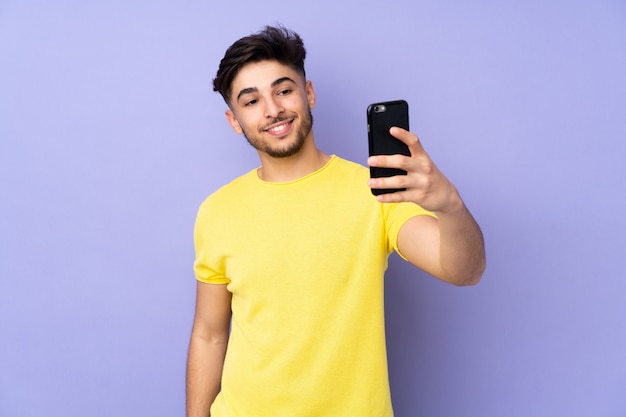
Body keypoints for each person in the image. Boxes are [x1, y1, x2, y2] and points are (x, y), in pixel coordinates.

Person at [186, 25, 485, 417]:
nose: (273, 109)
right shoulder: (217, 210)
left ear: (308, 93)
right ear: (234, 120)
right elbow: (209, 335)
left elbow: (464, 270)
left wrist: (450, 205)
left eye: (284, 90)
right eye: (252, 100)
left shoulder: (376, 192)